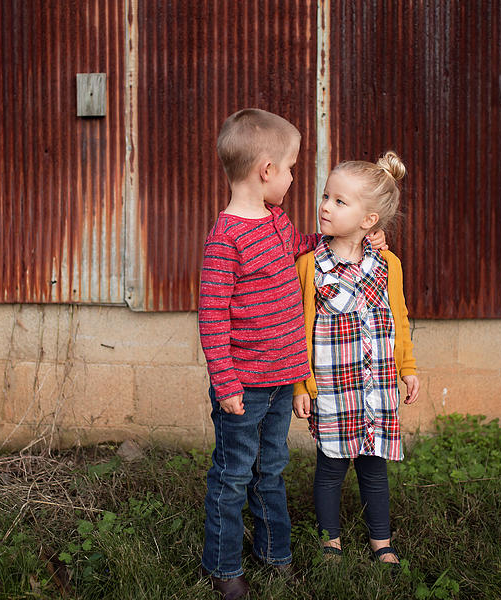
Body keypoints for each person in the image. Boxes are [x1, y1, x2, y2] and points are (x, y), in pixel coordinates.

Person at [198, 109, 385, 599]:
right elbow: (213, 318)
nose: (294, 176)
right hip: (243, 386)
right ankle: (222, 566)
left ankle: (274, 553)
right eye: (290, 168)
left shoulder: (276, 221)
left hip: (283, 378)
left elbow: (302, 247)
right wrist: (227, 385)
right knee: (234, 473)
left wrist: (349, 237)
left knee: (272, 468)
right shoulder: (226, 238)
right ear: (266, 171)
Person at [292, 152, 420, 569]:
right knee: (330, 469)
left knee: (374, 469)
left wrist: (408, 368)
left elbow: (398, 318)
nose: (325, 206)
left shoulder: (389, 266)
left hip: (376, 387)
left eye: (339, 202)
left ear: (369, 221)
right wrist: (300, 384)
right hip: (332, 390)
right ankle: (330, 541)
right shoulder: (310, 267)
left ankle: (381, 541)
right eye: (326, 196)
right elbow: (300, 330)